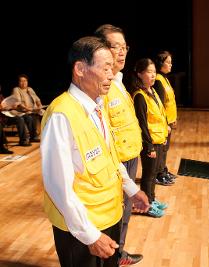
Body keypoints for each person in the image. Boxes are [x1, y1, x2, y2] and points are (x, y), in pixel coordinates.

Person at [41, 36, 150, 267]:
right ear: (80, 69)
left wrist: (130, 188)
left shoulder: (97, 106)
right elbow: (58, 186)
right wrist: (90, 235)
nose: (112, 74)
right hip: (81, 230)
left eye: (112, 68)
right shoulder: (62, 115)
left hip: (109, 217)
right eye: (105, 68)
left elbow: (110, 157)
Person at [94, 24, 144, 266]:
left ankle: (118, 253)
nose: (122, 52)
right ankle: (113, 255)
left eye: (125, 47)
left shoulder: (119, 81)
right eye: (116, 47)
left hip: (129, 155)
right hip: (116, 163)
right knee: (115, 214)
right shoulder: (100, 86)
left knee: (124, 213)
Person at [132, 58, 169, 218]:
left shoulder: (152, 91)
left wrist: (165, 133)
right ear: (140, 74)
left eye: (154, 72)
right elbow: (142, 124)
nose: (153, 75)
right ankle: (146, 206)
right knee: (148, 176)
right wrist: (149, 146)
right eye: (149, 72)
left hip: (159, 139)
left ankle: (152, 199)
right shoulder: (140, 96)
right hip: (150, 143)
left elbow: (159, 114)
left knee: (153, 174)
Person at [153, 51, 178, 186]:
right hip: (164, 123)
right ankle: (159, 174)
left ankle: (163, 170)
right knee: (162, 149)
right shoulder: (158, 80)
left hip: (169, 121)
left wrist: (173, 119)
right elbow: (160, 105)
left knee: (165, 149)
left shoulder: (164, 78)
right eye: (167, 62)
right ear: (160, 63)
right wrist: (165, 124)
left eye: (171, 62)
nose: (170, 65)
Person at [11, 74, 42, 146]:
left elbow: (37, 99)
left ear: (27, 82)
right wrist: (29, 109)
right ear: (18, 82)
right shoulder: (16, 89)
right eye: (21, 81)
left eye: (25, 81)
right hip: (20, 111)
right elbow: (18, 103)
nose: (23, 82)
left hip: (30, 110)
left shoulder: (30, 89)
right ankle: (23, 140)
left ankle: (34, 136)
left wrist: (39, 105)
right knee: (27, 118)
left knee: (42, 114)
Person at [0, 85, 13, 154]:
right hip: (1, 118)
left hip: (4, 117)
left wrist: (11, 106)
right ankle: (2, 146)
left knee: (20, 119)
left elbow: (5, 106)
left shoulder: (1, 96)